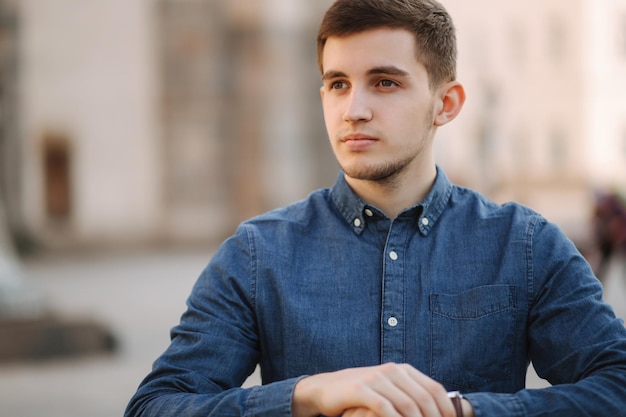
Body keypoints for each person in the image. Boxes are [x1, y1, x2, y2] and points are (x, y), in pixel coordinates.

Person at [125, 0, 626, 416]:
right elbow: (155, 405)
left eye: (385, 82)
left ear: (446, 104)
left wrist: (462, 411)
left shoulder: (525, 245)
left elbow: (616, 384)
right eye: (338, 83)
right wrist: (306, 395)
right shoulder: (258, 254)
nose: (353, 109)